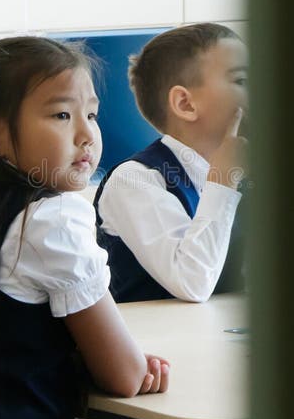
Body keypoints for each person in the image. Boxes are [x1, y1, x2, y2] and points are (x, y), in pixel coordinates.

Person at [0, 35, 218, 419]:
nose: (88, 134)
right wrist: (129, 363)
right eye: (62, 114)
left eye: (90, 113)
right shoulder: (50, 223)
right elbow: (121, 373)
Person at [94, 22, 249, 303]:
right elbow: (192, 282)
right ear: (185, 104)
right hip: (155, 343)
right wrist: (223, 182)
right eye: (241, 81)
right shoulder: (135, 180)